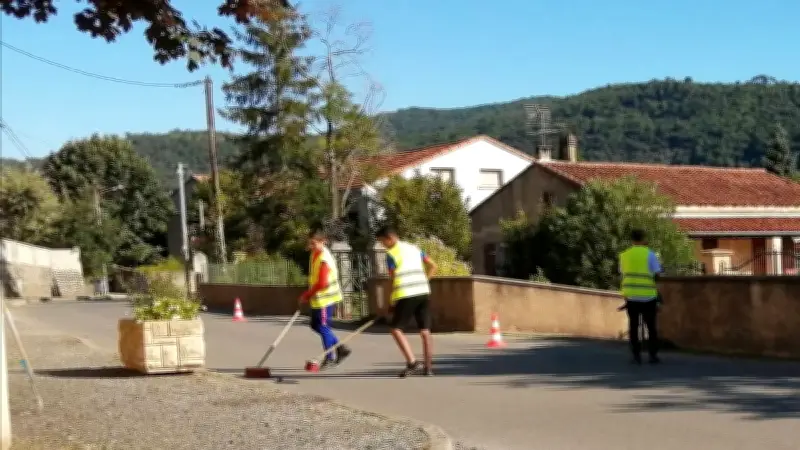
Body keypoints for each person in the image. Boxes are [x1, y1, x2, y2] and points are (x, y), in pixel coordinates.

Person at [375, 226, 438, 378]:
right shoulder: (414, 248)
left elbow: (393, 279)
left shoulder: (391, 254)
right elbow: (433, 265)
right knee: (425, 330)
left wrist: (391, 302)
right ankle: (428, 368)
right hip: (423, 291)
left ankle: (412, 362)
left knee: (395, 329)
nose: (383, 246)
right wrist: (424, 280)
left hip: (406, 293)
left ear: (389, 238)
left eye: (382, 242)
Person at [299, 229, 351, 370]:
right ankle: (341, 348)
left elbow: (323, 283)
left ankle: (330, 357)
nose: (311, 246)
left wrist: (307, 295)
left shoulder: (324, 258)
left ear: (323, 241)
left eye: (314, 243)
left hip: (326, 299)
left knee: (322, 326)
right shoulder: (314, 254)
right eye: (310, 243)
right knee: (315, 325)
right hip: (318, 298)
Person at [618, 228, 662, 365]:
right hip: (648, 296)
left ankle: (636, 356)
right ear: (643, 238)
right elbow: (657, 273)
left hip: (631, 297)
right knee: (651, 327)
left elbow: (622, 273)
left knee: (633, 327)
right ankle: (652, 355)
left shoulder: (624, 255)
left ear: (632, 240)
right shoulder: (650, 254)